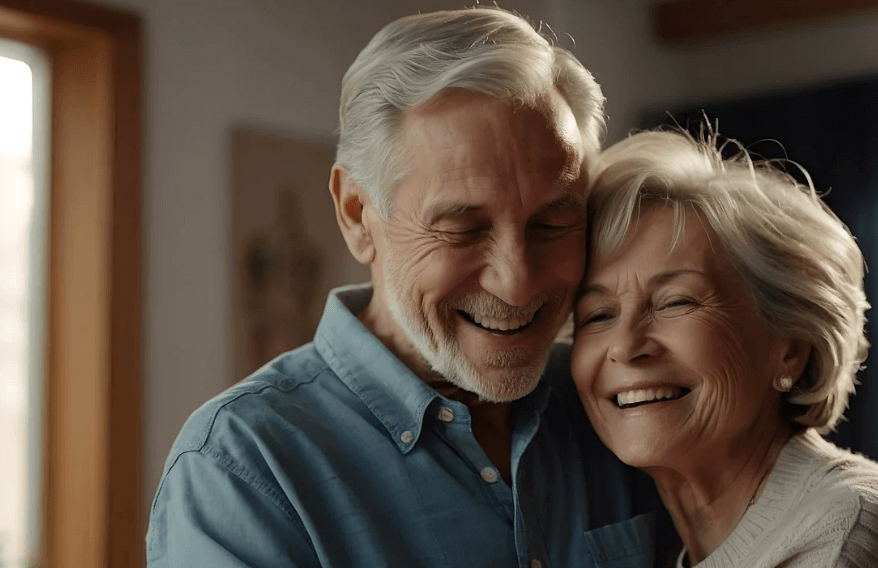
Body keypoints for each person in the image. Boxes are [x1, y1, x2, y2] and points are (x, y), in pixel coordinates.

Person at [146, 7, 670, 568]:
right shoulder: (242, 470)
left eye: (552, 222)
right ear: (355, 215)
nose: (518, 282)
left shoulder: (618, 399)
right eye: (463, 228)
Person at [571, 129, 878, 568]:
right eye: (598, 315)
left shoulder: (846, 531)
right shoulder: (666, 552)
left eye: (676, 301)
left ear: (791, 348)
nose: (625, 346)